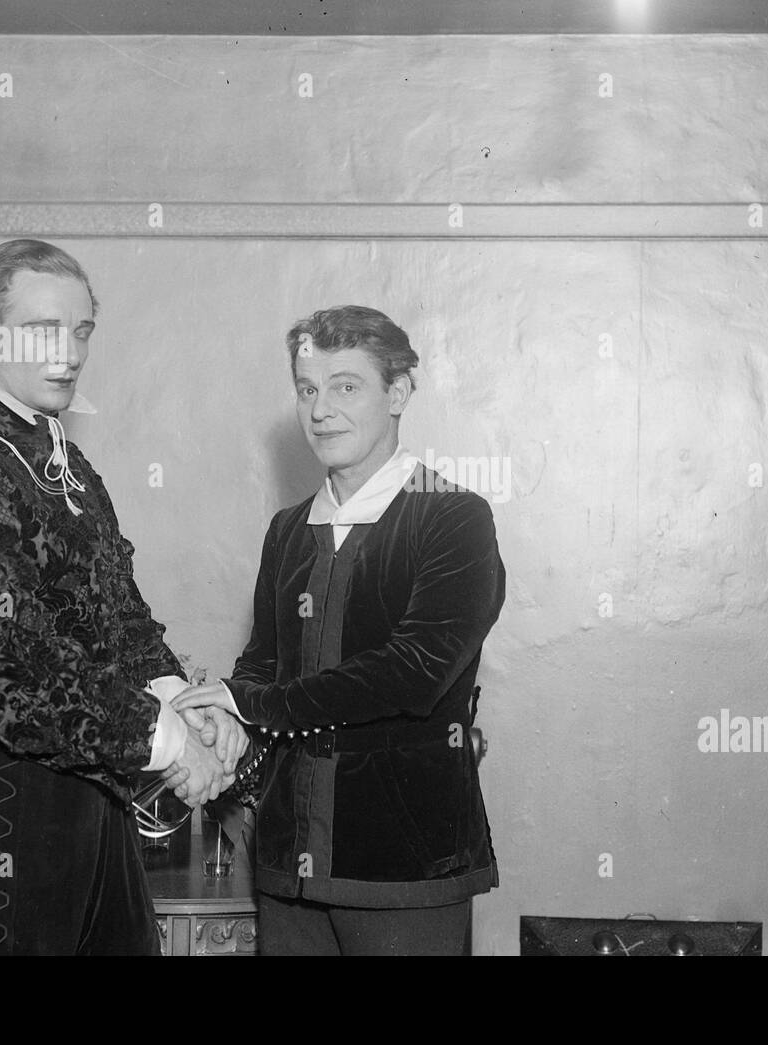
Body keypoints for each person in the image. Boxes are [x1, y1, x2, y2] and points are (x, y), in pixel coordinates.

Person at [0, 239, 245, 956]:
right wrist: (167, 743)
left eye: (82, 329)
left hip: (99, 808)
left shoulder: (67, 466)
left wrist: (189, 707)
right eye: (44, 328)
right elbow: (5, 668)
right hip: (0, 815)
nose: (69, 351)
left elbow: (122, 619)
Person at [174, 305, 505, 955]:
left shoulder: (454, 518)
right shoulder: (288, 529)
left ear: (399, 390)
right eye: (307, 389)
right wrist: (229, 727)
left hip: (405, 870)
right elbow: (263, 663)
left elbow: (413, 672)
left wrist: (252, 704)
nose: (321, 409)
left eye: (346, 385)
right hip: (287, 869)